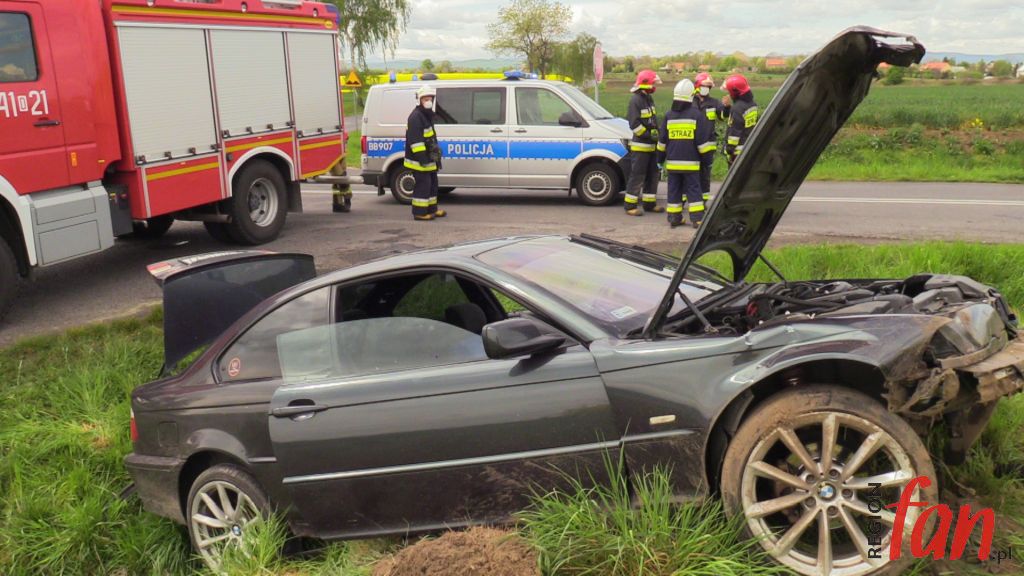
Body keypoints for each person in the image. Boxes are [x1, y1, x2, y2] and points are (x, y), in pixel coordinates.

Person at [657, 79, 715, 228]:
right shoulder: (697, 115)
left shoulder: (669, 115)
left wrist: (659, 160)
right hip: (691, 164)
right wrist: (707, 160)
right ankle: (697, 219)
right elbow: (702, 143)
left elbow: (662, 141)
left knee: (674, 191)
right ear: (691, 96)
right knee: (694, 190)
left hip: (673, 164)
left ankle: (674, 218)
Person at [624, 70, 663, 216]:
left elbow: (652, 120)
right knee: (638, 175)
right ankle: (630, 206)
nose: (654, 87)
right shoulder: (636, 100)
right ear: (645, 84)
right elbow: (634, 124)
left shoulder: (648, 99)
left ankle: (649, 204)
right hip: (641, 147)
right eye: (653, 84)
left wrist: (658, 134)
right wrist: (649, 135)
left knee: (653, 175)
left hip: (652, 146)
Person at [404, 85, 446, 221]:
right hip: (420, 160)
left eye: (430, 99)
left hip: (429, 158)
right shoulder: (416, 117)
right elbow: (416, 142)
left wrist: (435, 157)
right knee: (423, 185)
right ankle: (419, 212)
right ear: (419, 100)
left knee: (432, 184)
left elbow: (430, 138)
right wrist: (423, 159)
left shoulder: (426, 114)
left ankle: (432, 209)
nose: (428, 101)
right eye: (425, 99)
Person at [692, 73, 728, 204]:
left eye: (708, 87)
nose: (706, 89)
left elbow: (723, 116)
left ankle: (703, 200)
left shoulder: (714, 102)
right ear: (697, 86)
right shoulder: (689, 102)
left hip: (708, 145)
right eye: (704, 86)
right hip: (691, 145)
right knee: (690, 174)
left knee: (705, 175)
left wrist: (727, 107)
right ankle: (685, 199)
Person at [722, 74, 759, 166]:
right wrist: (728, 107)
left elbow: (735, 132)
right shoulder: (752, 104)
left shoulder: (737, 108)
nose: (729, 94)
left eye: (729, 91)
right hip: (749, 148)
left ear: (734, 92)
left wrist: (729, 150)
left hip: (737, 154)